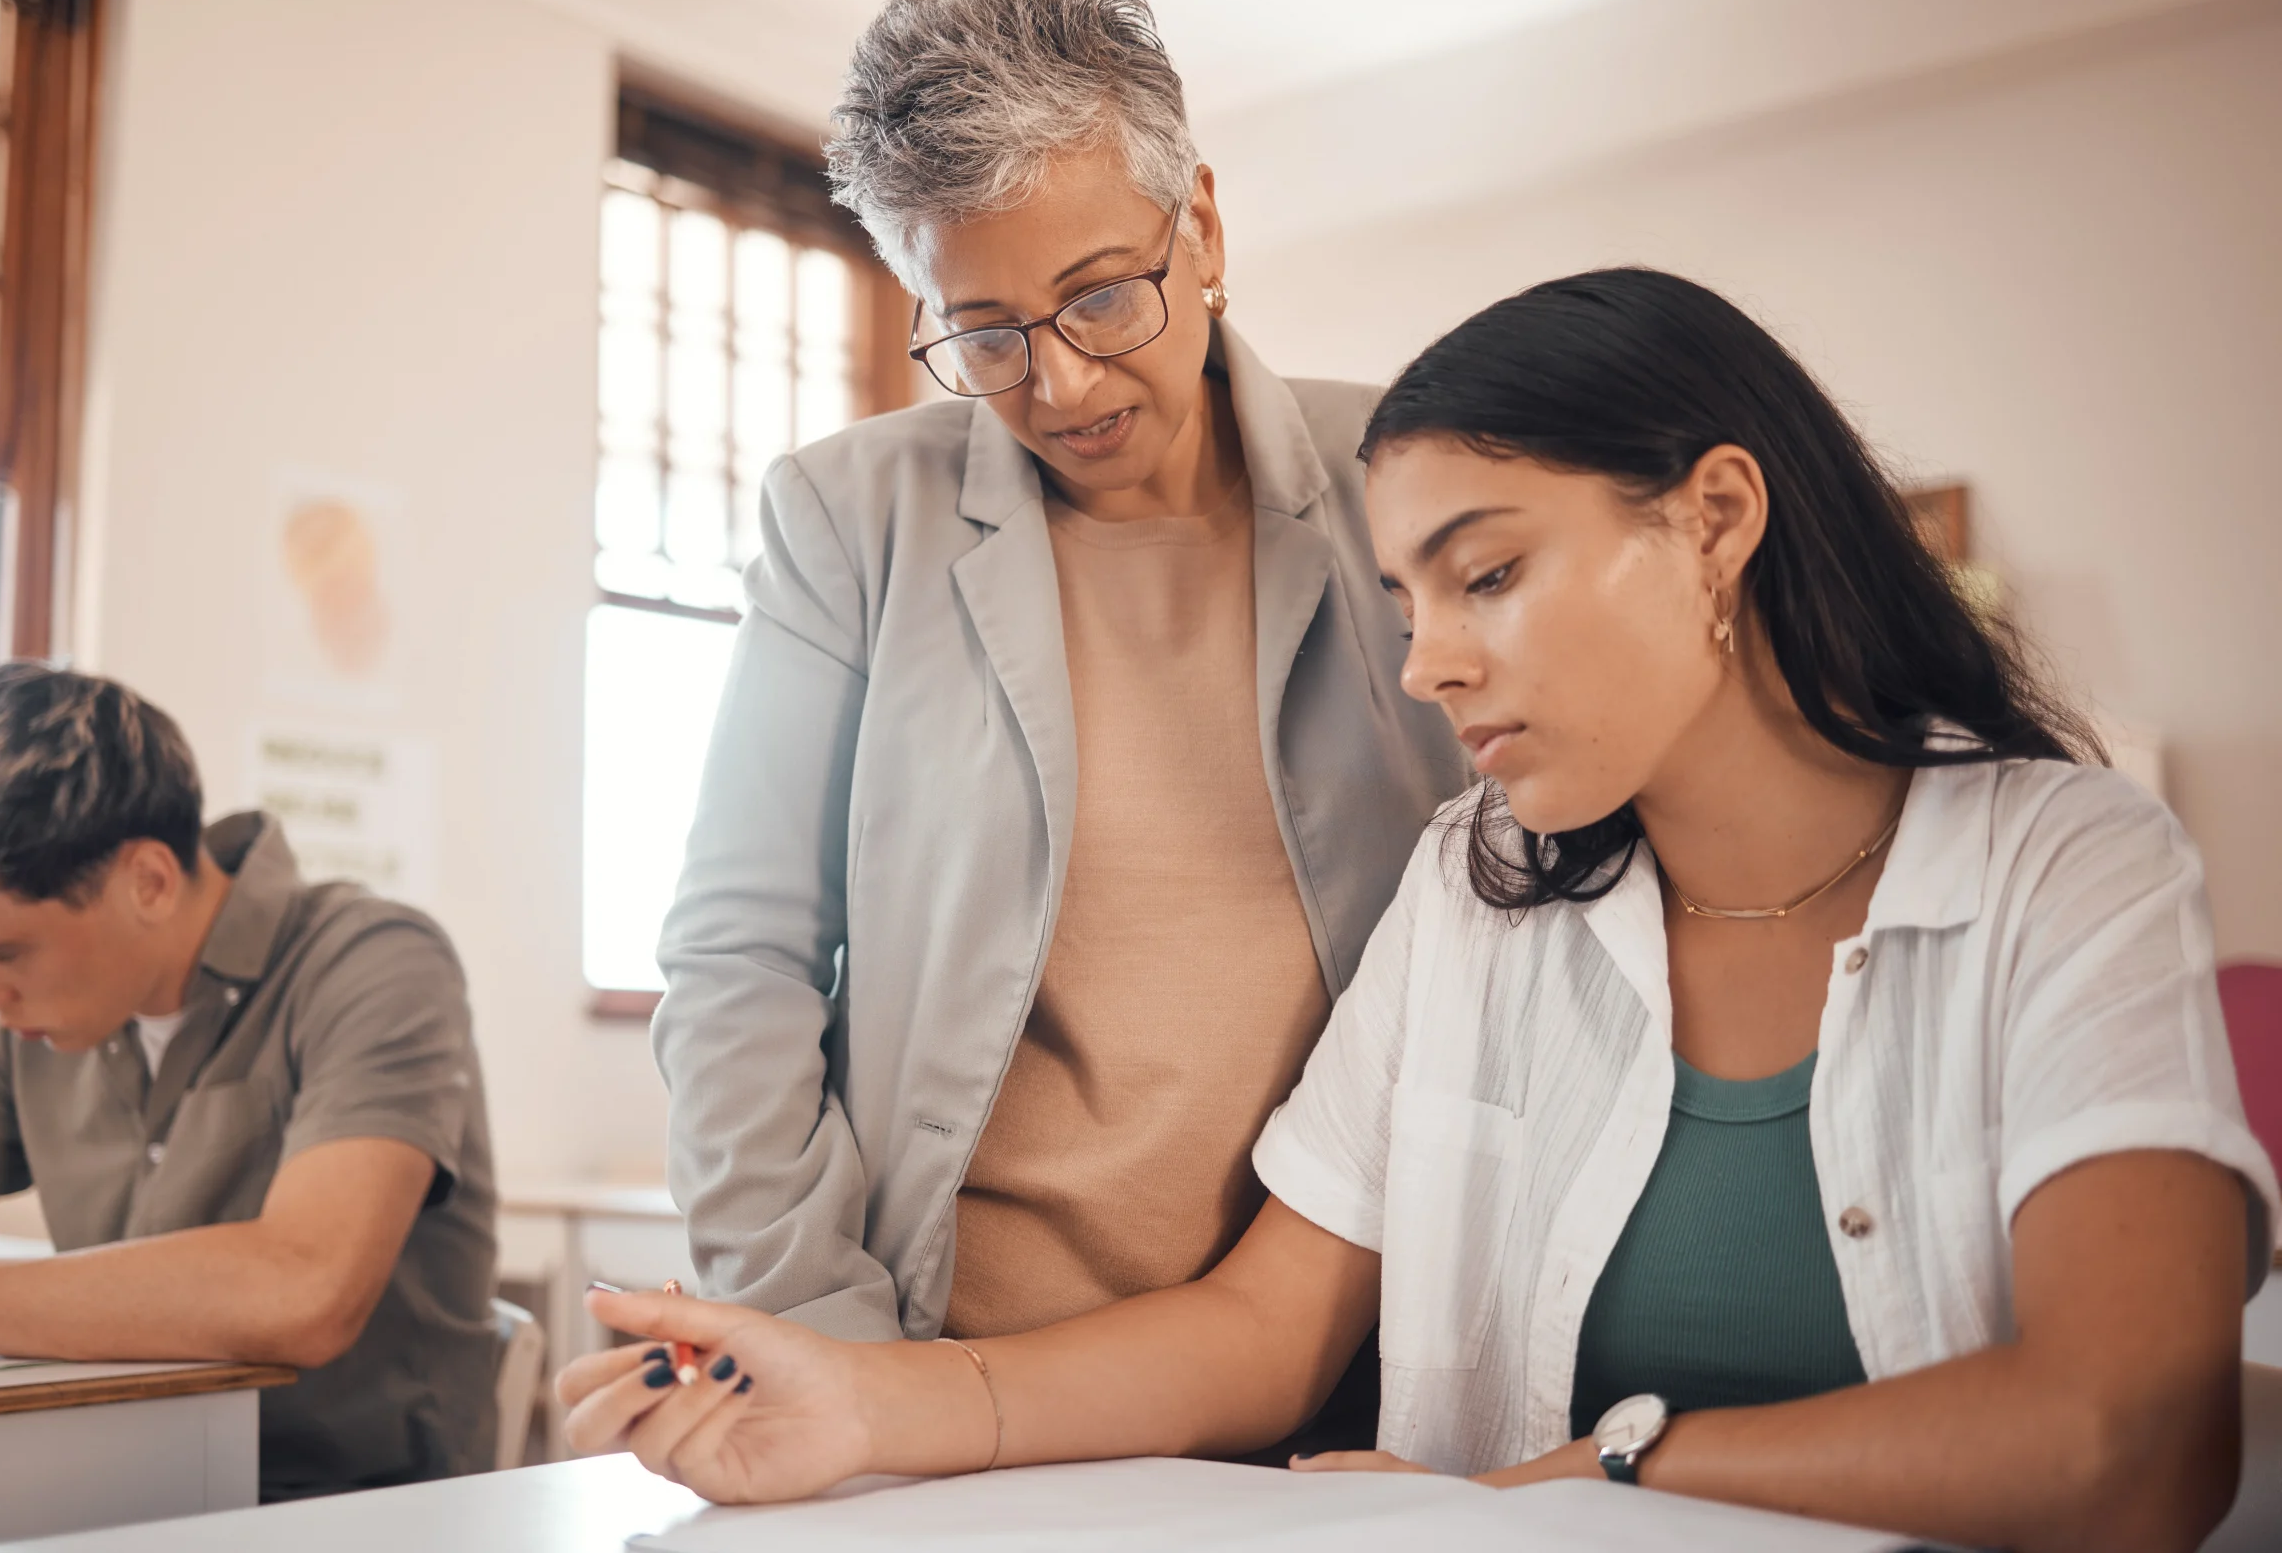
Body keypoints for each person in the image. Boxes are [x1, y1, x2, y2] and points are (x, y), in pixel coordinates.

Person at [559, 269, 2278, 1553]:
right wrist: (865, 1403)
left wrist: (1599, 1477)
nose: (1427, 663)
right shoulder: (1479, 891)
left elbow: (2130, 1450)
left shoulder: (2071, 869)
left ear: (1715, 523)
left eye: (1490, 574)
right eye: (1405, 598)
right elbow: (1263, 1328)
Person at [648, 0, 1463, 1441]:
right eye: (987, 334)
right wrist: (829, 1343)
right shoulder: (851, 522)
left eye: (1100, 299)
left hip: (1345, 1377)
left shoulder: (1407, 482)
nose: (1064, 386)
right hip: (945, 1374)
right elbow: (738, 956)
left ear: (1199, 228)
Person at [0, 664, 500, 1500]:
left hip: (351, 1512)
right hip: (119, 1479)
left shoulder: (375, 964)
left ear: (149, 882)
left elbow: (305, 1287)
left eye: (4, 953)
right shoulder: (35, 1020)